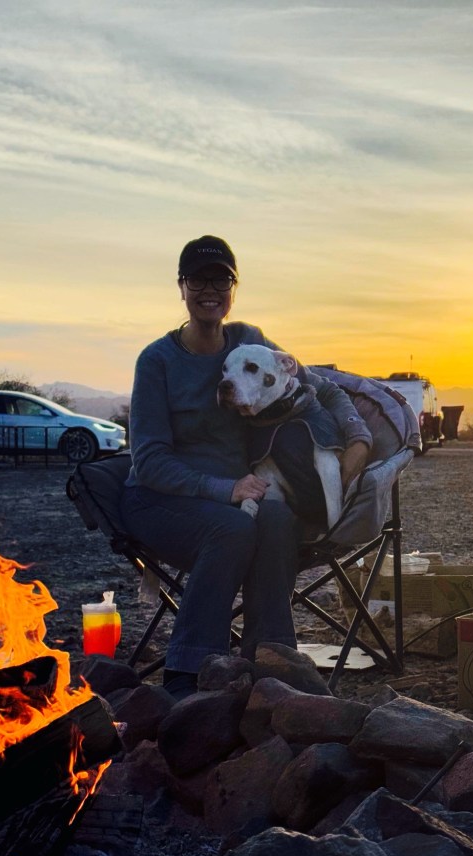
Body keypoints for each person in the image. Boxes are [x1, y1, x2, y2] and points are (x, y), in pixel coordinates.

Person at [120, 235, 372, 698]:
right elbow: (150, 461)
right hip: (160, 500)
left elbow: (324, 387)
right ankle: (189, 673)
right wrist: (227, 489)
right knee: (233, 528)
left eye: (222, 280)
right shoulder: (157, 361)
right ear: (181, 287)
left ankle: (272, 662)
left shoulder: (249, 342)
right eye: (198, 280)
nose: (210, 290)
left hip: (240, 494)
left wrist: (358, 438)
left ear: (233, 289)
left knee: (277, 519)